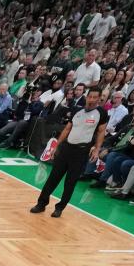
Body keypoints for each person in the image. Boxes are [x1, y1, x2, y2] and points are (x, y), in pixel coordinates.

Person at [31, 85, 108, 218]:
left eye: (95, 97)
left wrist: (97, 149)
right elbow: (67, 129)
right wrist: (56, 146)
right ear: (86, 96)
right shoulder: (77, 110)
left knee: (70, 182)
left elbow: (101, 132)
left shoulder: (101, 113)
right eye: (90, 96)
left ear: (99, 98)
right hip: (66, 148)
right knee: (53, 178)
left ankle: (60, 208)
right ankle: (41, 204)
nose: (92, 99)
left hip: (81, 152)